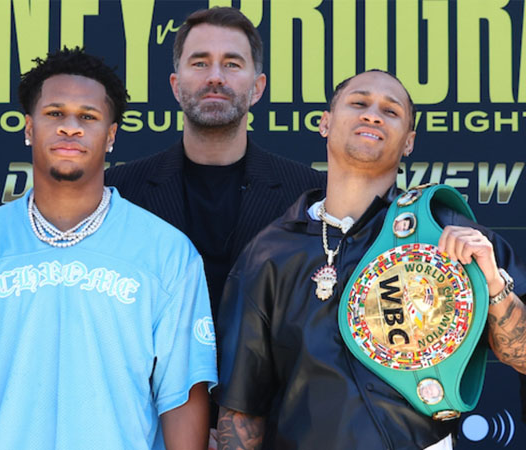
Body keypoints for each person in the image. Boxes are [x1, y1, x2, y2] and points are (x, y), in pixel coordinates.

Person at [216, 70, 526, 449]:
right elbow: (242, 412)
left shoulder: (445, 234)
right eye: (359, 103)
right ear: (325, 123)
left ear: (409, 142)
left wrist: (493, 285)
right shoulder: (269, 252)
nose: (373, 115)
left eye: (390, 111)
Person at [0, 48, 217, 450]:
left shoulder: (167, 253)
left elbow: (181, 395)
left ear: (110, 135)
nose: (70, 128)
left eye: (88, 117)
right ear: (29, 128)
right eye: (55, 113)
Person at [104, 7, 325, 316]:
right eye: (200, 63)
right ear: (174, 85)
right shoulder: (117, 194)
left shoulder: (310, 196)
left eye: (232, 64)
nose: (215, 77)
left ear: (258, 87)